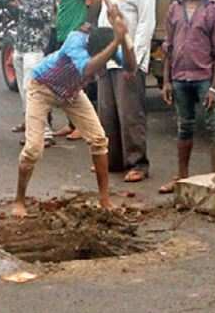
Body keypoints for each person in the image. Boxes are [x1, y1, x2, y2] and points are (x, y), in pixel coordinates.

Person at [12, 11, 136, 218]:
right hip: (42, 88)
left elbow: (131, 67)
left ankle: (104, 199)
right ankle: (19, 200)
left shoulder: (106, 42)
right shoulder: (76, 40)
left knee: (98, 139)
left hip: (71, 93)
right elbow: (87, 70)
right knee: (33, 149)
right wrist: (115, 43)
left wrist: (124, 41)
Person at [159, 0, 215, 194]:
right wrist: (167, 80)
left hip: (204, 79)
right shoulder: (174, 9)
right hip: (179, 78)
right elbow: (168, 46)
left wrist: (214, 88)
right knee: (184, 128)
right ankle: (182, 178)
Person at [97, 0, 156, 183]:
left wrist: (136, 61)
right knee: (107, 111)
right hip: (108, 57)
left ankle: (138, 163)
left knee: (130, 113)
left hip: (129, 59)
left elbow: (145, 25)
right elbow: (103, 20)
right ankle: (113, 160)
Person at [51, 0, 102, 140]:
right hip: (65, 36)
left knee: (78, 83)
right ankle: (72, 123)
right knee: (68, 82)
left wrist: (89, 22)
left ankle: (83, 126)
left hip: (74, 37)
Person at [10, 0, 56, 147]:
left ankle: (44, 132)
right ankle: (32, 128)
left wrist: (20, 7)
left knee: (34, 91)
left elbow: (47, 15)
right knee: (23, 91)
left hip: (36, 45)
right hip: (21, 43)